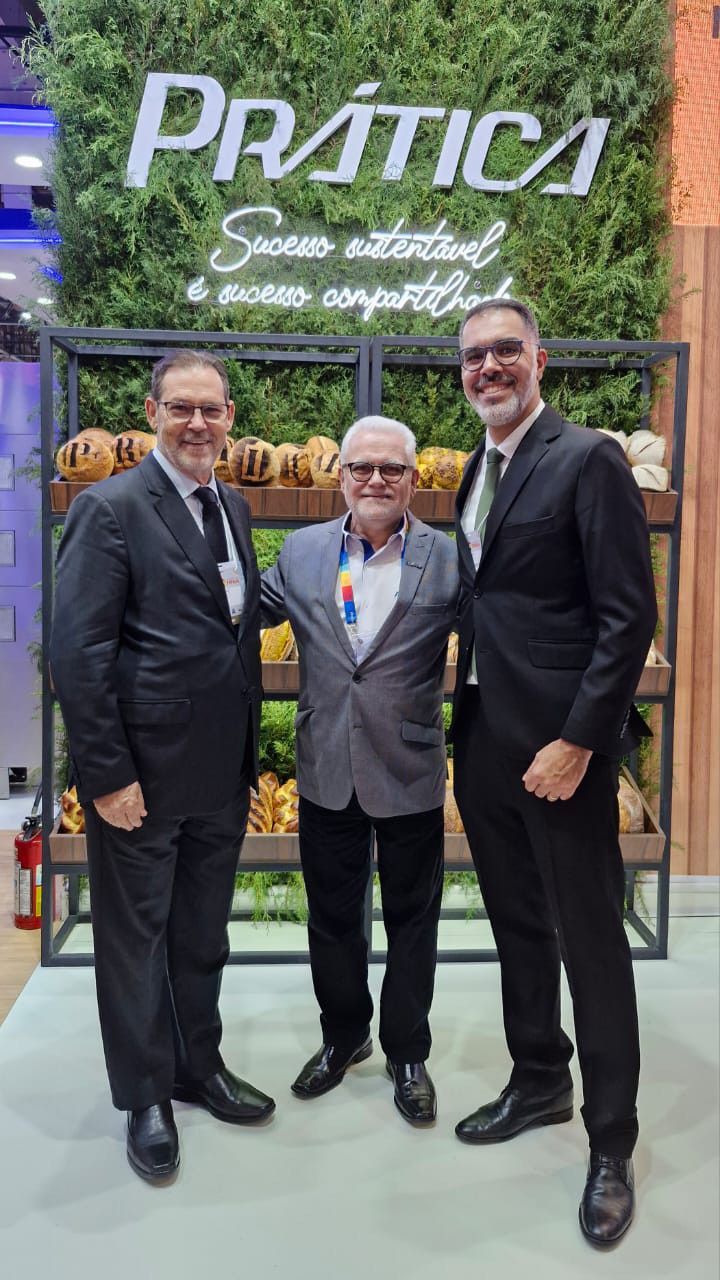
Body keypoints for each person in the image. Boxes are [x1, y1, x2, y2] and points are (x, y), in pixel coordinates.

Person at [450, 299, 657, 1245]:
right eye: (473, 357)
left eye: (505, 353)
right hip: (488, 738)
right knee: (518, 925)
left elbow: (628, 617)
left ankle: (611, 1138)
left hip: (561, 750)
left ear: (539, 361)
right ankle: (539, 1078)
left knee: (591, 940)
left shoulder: (587, 459)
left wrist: (580, 740)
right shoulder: (476, 477)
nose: (489, 368)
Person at [50, 350, 274, 1184]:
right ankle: (144, 1095)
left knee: (200, 935)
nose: (197, 424)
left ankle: (197, 1067)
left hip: (221, 774)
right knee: (135, 940)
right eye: (180, 408)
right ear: (151, 412)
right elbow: (78, 654)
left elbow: (228, 625)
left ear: (228, 416)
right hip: (139, 778)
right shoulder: (110, 508)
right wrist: (105, 776)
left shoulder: (235, 505)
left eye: (211, 410)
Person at [261, 416, 458, 1125]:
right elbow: (234, 607)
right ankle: (344, 1036)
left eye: (392, 469)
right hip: (325, 766)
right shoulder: (304, 549)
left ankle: (408, 1051)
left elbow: (504, 631)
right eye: (363, 468)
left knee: (413, 918)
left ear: (413, 479)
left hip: (407, 765)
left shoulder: (447, 557)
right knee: (333, 918)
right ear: (340, 475)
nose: (377, 480)